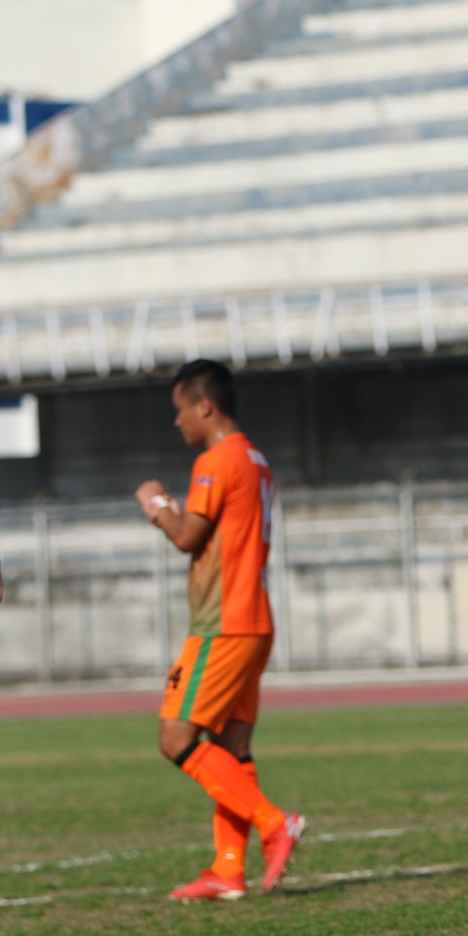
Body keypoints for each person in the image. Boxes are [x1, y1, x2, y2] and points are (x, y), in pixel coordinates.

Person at [134, 360, 304, 903]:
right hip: (255, 620)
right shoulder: (256, 458)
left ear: (204, 405)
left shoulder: (217, 460)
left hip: (222, 624)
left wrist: (157, 504)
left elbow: (187, 536)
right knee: (230, 745)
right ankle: (228, 871)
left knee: (176, 738)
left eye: (180, 409)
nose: (177, 421)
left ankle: (274, 823)